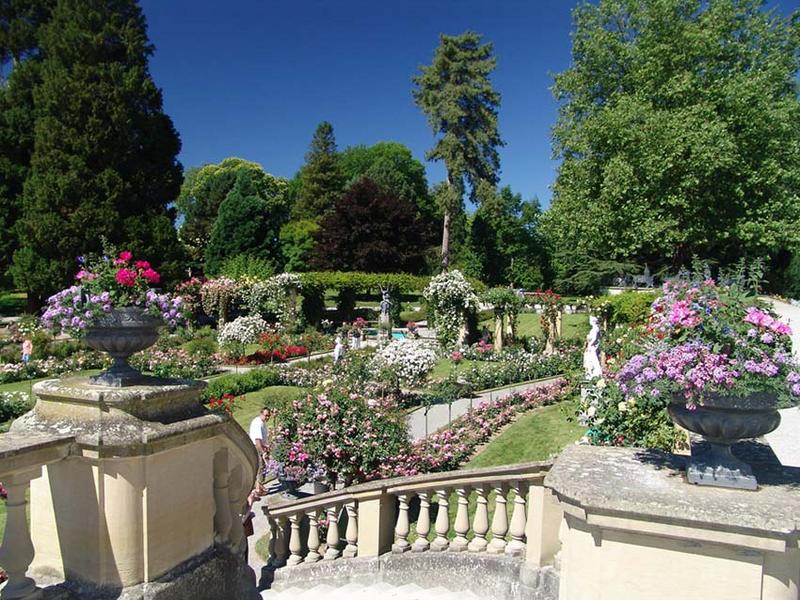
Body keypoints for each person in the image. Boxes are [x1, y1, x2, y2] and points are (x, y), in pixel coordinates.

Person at [249, 407, 270, 495]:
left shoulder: (261, 422)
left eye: (269, 415)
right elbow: (257, 440)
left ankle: (260, 486)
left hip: (259, 445)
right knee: (261, 467)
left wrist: (265, 446)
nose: (268, 417)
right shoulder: (258, 423)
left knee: (262, 467)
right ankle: (258, 489)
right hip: (256, 447)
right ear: (261, 414)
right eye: (266, 415)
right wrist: (263, 452)